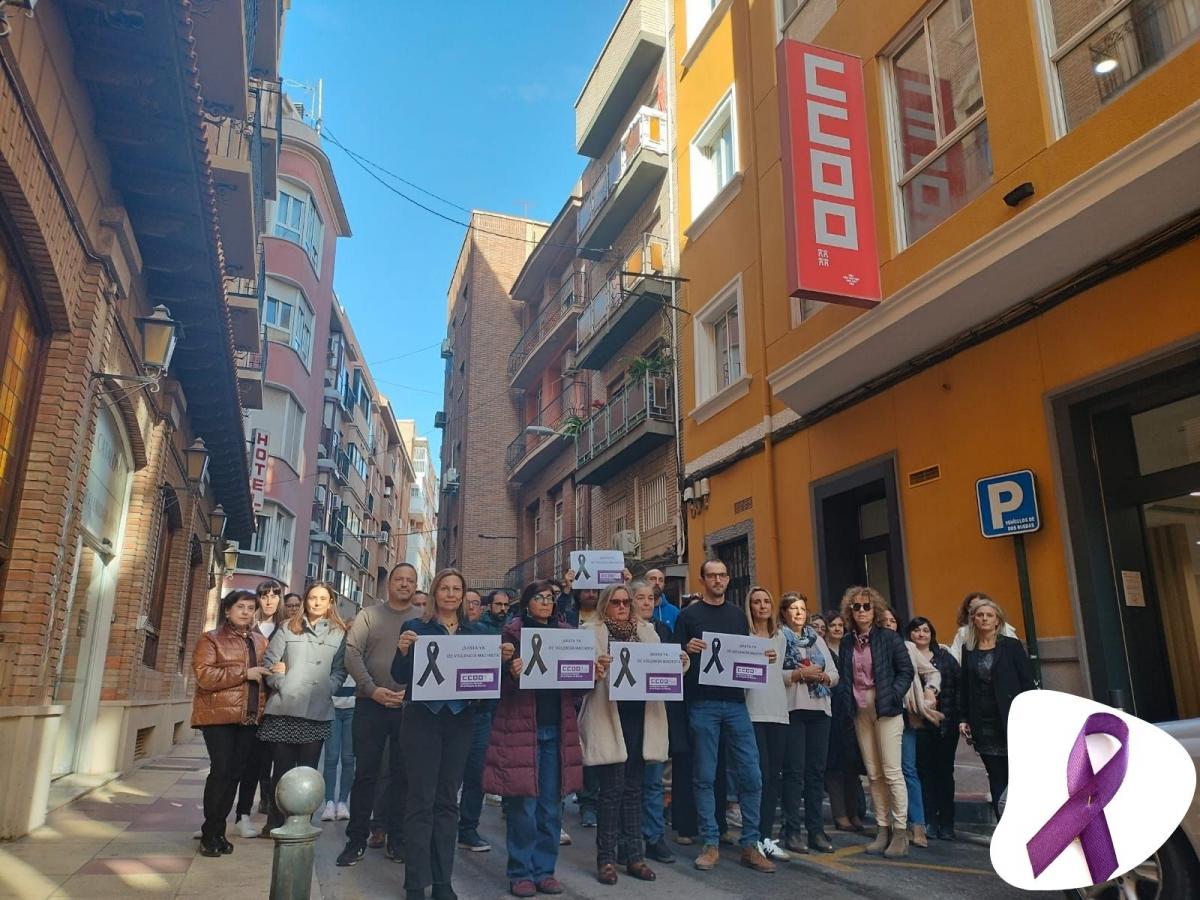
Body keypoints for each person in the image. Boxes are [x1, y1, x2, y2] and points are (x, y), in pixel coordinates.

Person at [674, 559, 776, 874]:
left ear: (728, 579)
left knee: (752, 775)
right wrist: (686, 650)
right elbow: (675, 661)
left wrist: (763, 657)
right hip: (702, 704)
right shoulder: (688, 616)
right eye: (712, 575)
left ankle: (751, 844)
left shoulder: (736, 615)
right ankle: (710, 842)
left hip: (736, 704)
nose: (718, 579)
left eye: (722, 575)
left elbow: (743, 655)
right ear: (702, 580)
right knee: (704, 775)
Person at [483, 580, 583, 898]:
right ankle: (520, 872)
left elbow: (578, 690)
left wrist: (590, 674)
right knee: (523, 806)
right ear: (526, 603)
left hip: (557, 729)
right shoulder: (510, 635)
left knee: (551, 807)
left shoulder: (568, 635)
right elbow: (494, 687)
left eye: (550, 598)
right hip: (521, 730)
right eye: (538, 598)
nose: (545, 602)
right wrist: (509, 671)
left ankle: (545, 870)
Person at [393, 568, 487, 900]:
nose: (450, 594)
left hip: (459, 722)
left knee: (448, 802)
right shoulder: (414, 628)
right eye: (444, 588)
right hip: (421, 721)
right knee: (420, 801)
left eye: (456, 588)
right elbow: (400, 676)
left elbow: (486, 691)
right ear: (434, 593)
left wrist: (497, 669)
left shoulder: (476, 635)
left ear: (463, 595)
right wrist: (403, 652)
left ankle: (443, 881)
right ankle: (415, 883)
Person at [338, 562, 420, 867]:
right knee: (366, 774)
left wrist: (409, 693)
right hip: (370, 705)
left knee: (402, 775)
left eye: (410, 581)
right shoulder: (369, 616)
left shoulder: (422, 619)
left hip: (408, 707)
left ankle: (396, 839)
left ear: (415, 586)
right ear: (389, 584)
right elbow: (351, 653)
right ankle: (355, 840)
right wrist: (372, 689)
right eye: (399, 579)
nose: (404, 584)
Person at [191, 590, 274, 857]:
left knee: (235, 775)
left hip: (249, 718)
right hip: (218, 717)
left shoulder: (261, 642)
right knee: (221, 771)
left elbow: (267, 676)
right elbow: (204, 675)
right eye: (240, 607)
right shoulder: (211, 639)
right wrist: (244, 673)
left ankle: (218, 832)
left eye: (251, 608)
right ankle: (209, 833)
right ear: (227, 610)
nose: (246, 612)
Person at [260, 582, 348, 831]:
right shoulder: (288, 627)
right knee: (283, 771)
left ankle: (301, 824)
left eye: (323, 598)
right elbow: (270, 662)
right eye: (312, 598)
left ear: (331, 602)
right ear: (306, 601)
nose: (317, 603)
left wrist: (329, 687)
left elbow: (340, 670)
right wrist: (282, 683)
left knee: (308, 773)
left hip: (317, 711)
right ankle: (275, 822)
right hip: (285, 709)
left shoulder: (339, 633)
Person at [837, 587, 914, 858]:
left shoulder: (889, 638)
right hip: (860, 711)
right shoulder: (848, 642)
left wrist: (892, 694)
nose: (861, 611)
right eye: (856, 607)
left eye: (866, 606)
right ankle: (882, 829)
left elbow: (906, 670)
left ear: (875, 610)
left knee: (892, 772)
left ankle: (901, 831)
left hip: (886, 709)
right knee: (873, 773)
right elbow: (845, 677)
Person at [958, 596, 1034, 819]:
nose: (984, 619)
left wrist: (1029, 714)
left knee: (1016, 774)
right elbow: (965, 686)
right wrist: (964, 718)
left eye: (989, 615)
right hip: (982, 720)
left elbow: (1026, 680)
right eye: (979, 615)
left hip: (1010, 718)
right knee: (995, 774)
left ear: (998, 621)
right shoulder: (968, 649)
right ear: (973, 620)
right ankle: (1003, 823)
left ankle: (1023, 822)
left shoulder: (1010, 646)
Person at [778, 593, 838, 855]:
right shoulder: (779, 638)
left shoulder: (818, 640)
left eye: (802, 608)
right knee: (794, 772)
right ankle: (791, 830)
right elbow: (773, 674)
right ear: (783, 613)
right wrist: (800, 674)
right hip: (793, 710)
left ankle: (816, 830)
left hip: (820, 710)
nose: (799, 613)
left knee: (816, 772)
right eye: (793, 608)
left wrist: (822, 676)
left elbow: (835, 674)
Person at [880, 608, 942, 849]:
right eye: (883, 621)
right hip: (882, 714)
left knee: (907, 769)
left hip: (906, 715)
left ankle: (918, 825)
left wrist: (930, 691)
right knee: (887, 771)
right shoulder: (872, 647)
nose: (888, 624)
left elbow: (932, 672)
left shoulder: (909, 648)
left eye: (892, 620)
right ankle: (895, 825)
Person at [631, 580, 683, 865]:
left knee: (653, 781)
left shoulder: (663, 631)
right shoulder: (617, 631)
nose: (647, 603)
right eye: (641, 597)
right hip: (626, 715)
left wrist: (681, 660)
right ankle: (626, 838)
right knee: (626, 783)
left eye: (651, 598)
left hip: (653, 712)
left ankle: (653, 838)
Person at [458, 590, 510, 852]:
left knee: (477, 775)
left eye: (475, 603)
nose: (471, 607)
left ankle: (468, 829)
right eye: (467, 603)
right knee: (449, 777)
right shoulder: (447, 633)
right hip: (452, 715)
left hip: (481, 714)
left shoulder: (491, 636)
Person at [233, 580, 286, 837]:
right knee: (242, 761)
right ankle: (240, 812)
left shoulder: (286, 628)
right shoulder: (247, 628)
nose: (269, 600)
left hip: (274, 701)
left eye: (274, 596)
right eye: (264, 596)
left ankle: (265, 799)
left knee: (268, 758)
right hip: (247, 701)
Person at [744, 586, 792, 863]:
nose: (762, 606)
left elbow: (780, 673)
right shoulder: (745, 636)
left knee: (774, 775)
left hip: (778, 711)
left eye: (766, 601)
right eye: (757, 602)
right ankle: (753, 835)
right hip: (753, 711)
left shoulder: (781, 637)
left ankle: (765, 835)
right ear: (749, 608)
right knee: (757, 775)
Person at [906, 616, 961, 840]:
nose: (921, 634)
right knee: (924, 772)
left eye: (926, 630)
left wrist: (958, 716)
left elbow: (958, 686)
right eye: (917, 631)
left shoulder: (944, 657)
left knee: (945, 773)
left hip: (945, 724)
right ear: (910, 634)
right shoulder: (906, 656)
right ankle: (930, 820)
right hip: (920, 725)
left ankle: (947, 823)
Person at [822, 609, 866, 832]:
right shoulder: (822, 651)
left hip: (852, 710)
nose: (838, 629)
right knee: (834, 765)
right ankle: (840, 815)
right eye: (833, 626)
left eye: (840, 625)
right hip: (831, 711)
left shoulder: (851, 648)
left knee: (852, 764)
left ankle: (855, 812)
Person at [322, 661, 357, 823]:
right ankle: (329, 802)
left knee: (349, 758)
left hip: (353, 706)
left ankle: (343, 802)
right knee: (331, 757)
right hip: (332, 706)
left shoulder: (358, 645)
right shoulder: (336, 645)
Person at [948, 592, 1016, 662]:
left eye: (989, 615)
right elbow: (955, 657)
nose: (984, 618)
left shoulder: (1007, 631)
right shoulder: (963, 633)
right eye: (971, 607)